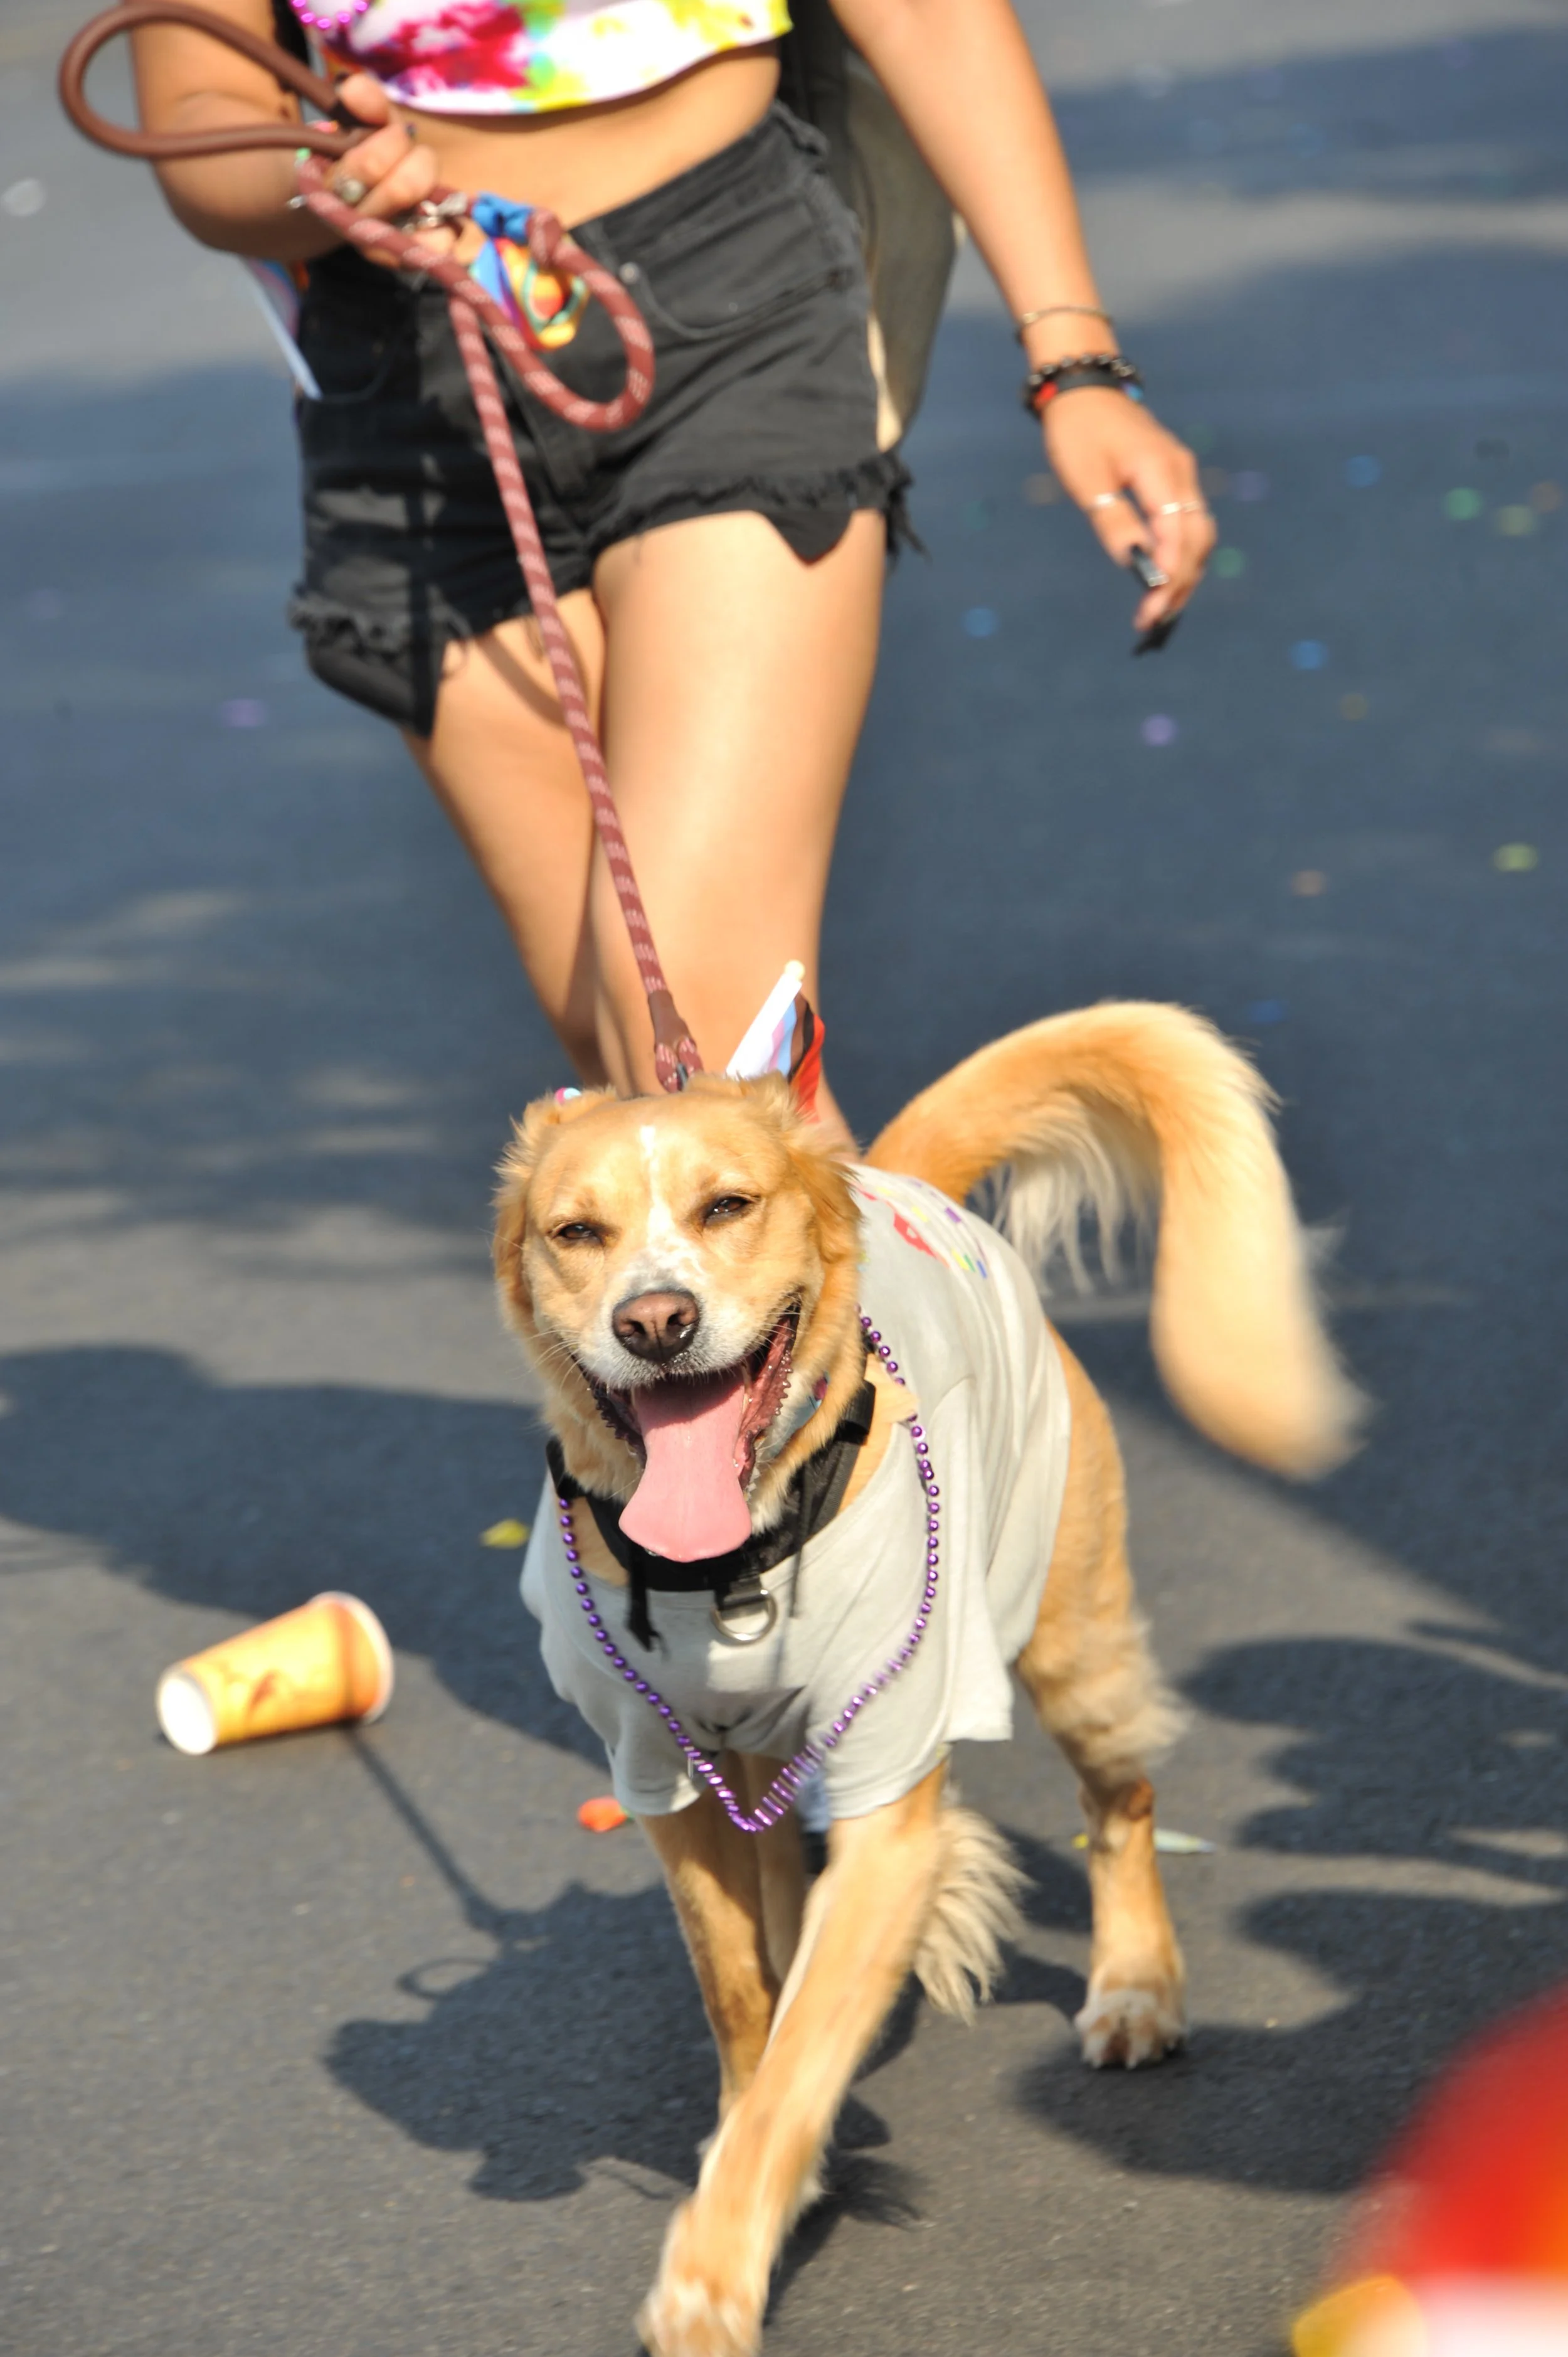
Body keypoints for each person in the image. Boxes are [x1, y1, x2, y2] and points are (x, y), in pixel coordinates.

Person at [130, 0, 1214, 1141]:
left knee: (703, 1064)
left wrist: (1074, 360)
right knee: (646, 1077)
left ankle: (940, 1325)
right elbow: (199, 111)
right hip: (411, 384)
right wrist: (320, 180)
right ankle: (986, 1331)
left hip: (725, 314)